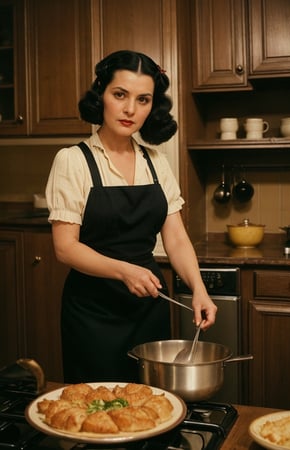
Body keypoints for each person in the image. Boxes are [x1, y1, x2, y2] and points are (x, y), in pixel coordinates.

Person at [46, 50, 217, 383]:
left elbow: (176, 238)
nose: (130, 110)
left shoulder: (157, 163)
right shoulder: (73, 160)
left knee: (152, 403)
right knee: (96, 410)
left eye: (143, 99)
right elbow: (65, 248)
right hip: (92, 313)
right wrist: (124, 271)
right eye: (120, 95)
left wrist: (198, 288)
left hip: (148, 309)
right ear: (101, 95)